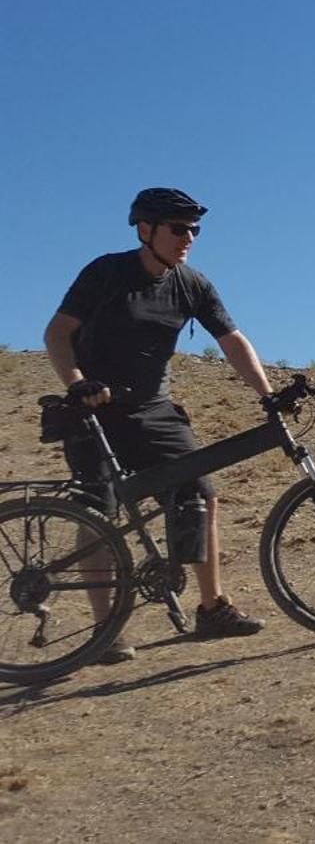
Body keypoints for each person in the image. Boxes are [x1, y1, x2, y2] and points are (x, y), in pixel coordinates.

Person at [43, 188, 270, 662]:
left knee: (200, 494)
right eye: (177, 228)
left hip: (153, 410)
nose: (187, 238)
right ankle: (105, 629)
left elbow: (231, 340)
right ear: (145, 230)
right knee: (98, 512)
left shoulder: (192, 284)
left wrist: (268, 394)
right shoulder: (105, 273)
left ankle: (213, 608)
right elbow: (57, 333)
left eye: (193, 230)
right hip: (94, 410)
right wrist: (78, 384)